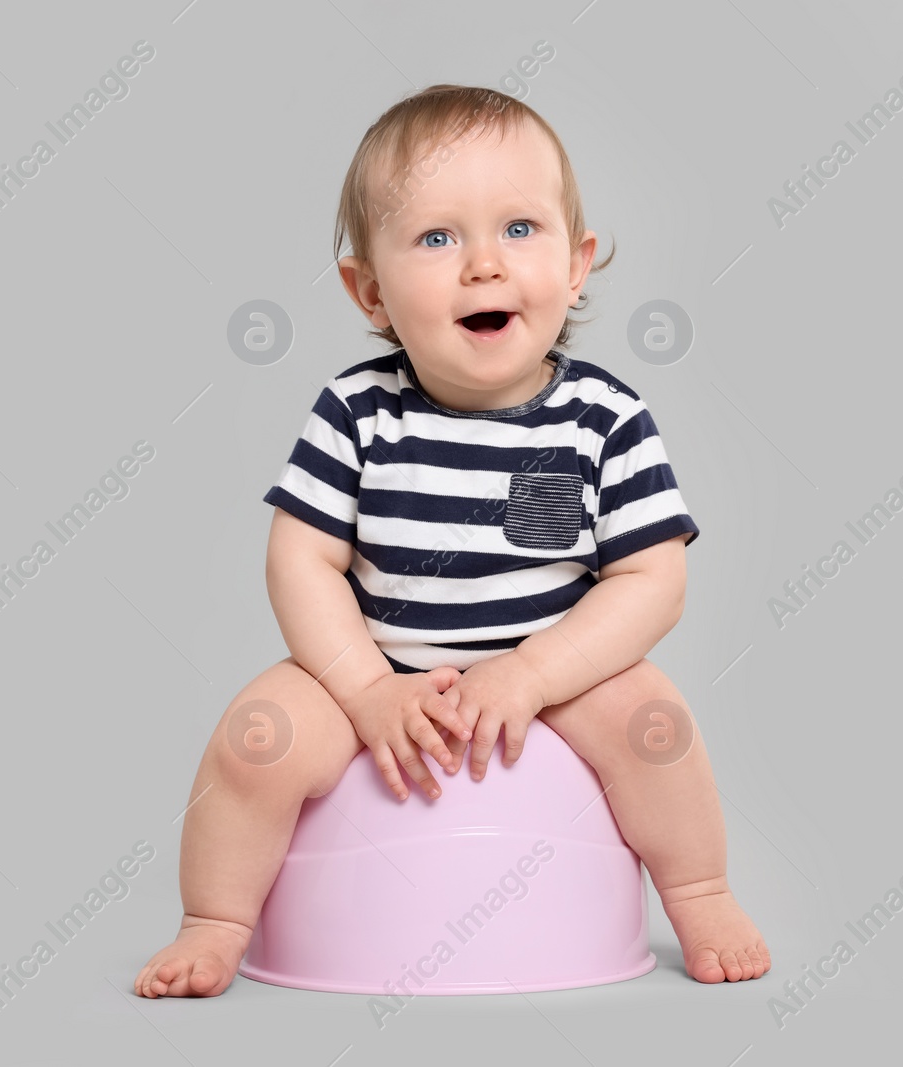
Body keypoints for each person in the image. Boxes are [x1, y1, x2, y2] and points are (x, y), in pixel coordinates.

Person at [135, 84, 769, 998]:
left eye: (520, 229)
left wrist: (536, 672)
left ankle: (701, 890)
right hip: (382, 673)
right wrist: (360, 690)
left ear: (579, 262)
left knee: (653, 725)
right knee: (254, 740)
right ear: (371, 289)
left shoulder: (603, 419)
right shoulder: (355, 412)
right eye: (437, 238)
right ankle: (217, 918)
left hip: (554, 679)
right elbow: (301, 558)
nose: (483, 264)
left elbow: (650, 579)